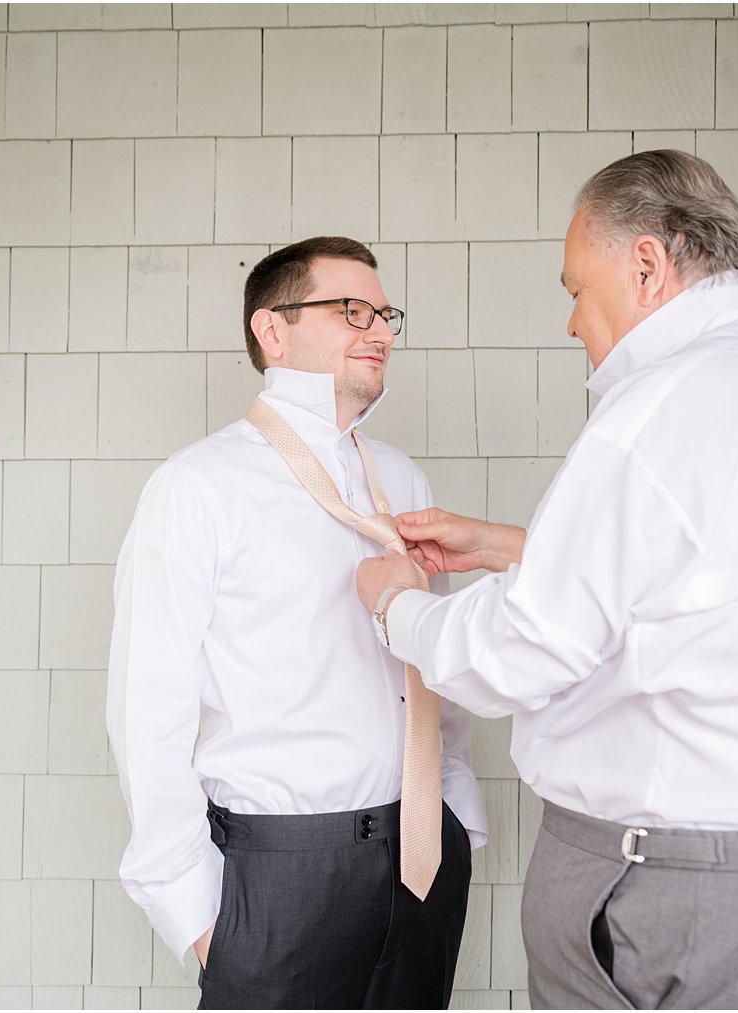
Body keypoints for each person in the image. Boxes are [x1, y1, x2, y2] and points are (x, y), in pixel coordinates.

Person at [356, 151, 738, 1010]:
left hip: (707, 899)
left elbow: (522, 650)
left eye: (576, 290)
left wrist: (394, 606)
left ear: (646, 265)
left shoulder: (660, 408)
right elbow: (727, 577)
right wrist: (518, 545)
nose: (571, 322)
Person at [107, 236, 485, 1010]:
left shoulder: (401, 479)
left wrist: (456, 819)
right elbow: (148, 707)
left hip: (421, 859)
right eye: (352, 310)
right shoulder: (198, 488)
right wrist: (205, 917)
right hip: (277, 881)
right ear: (271, 332)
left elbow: (425, 665)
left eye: (384, 313)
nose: (379, 329)